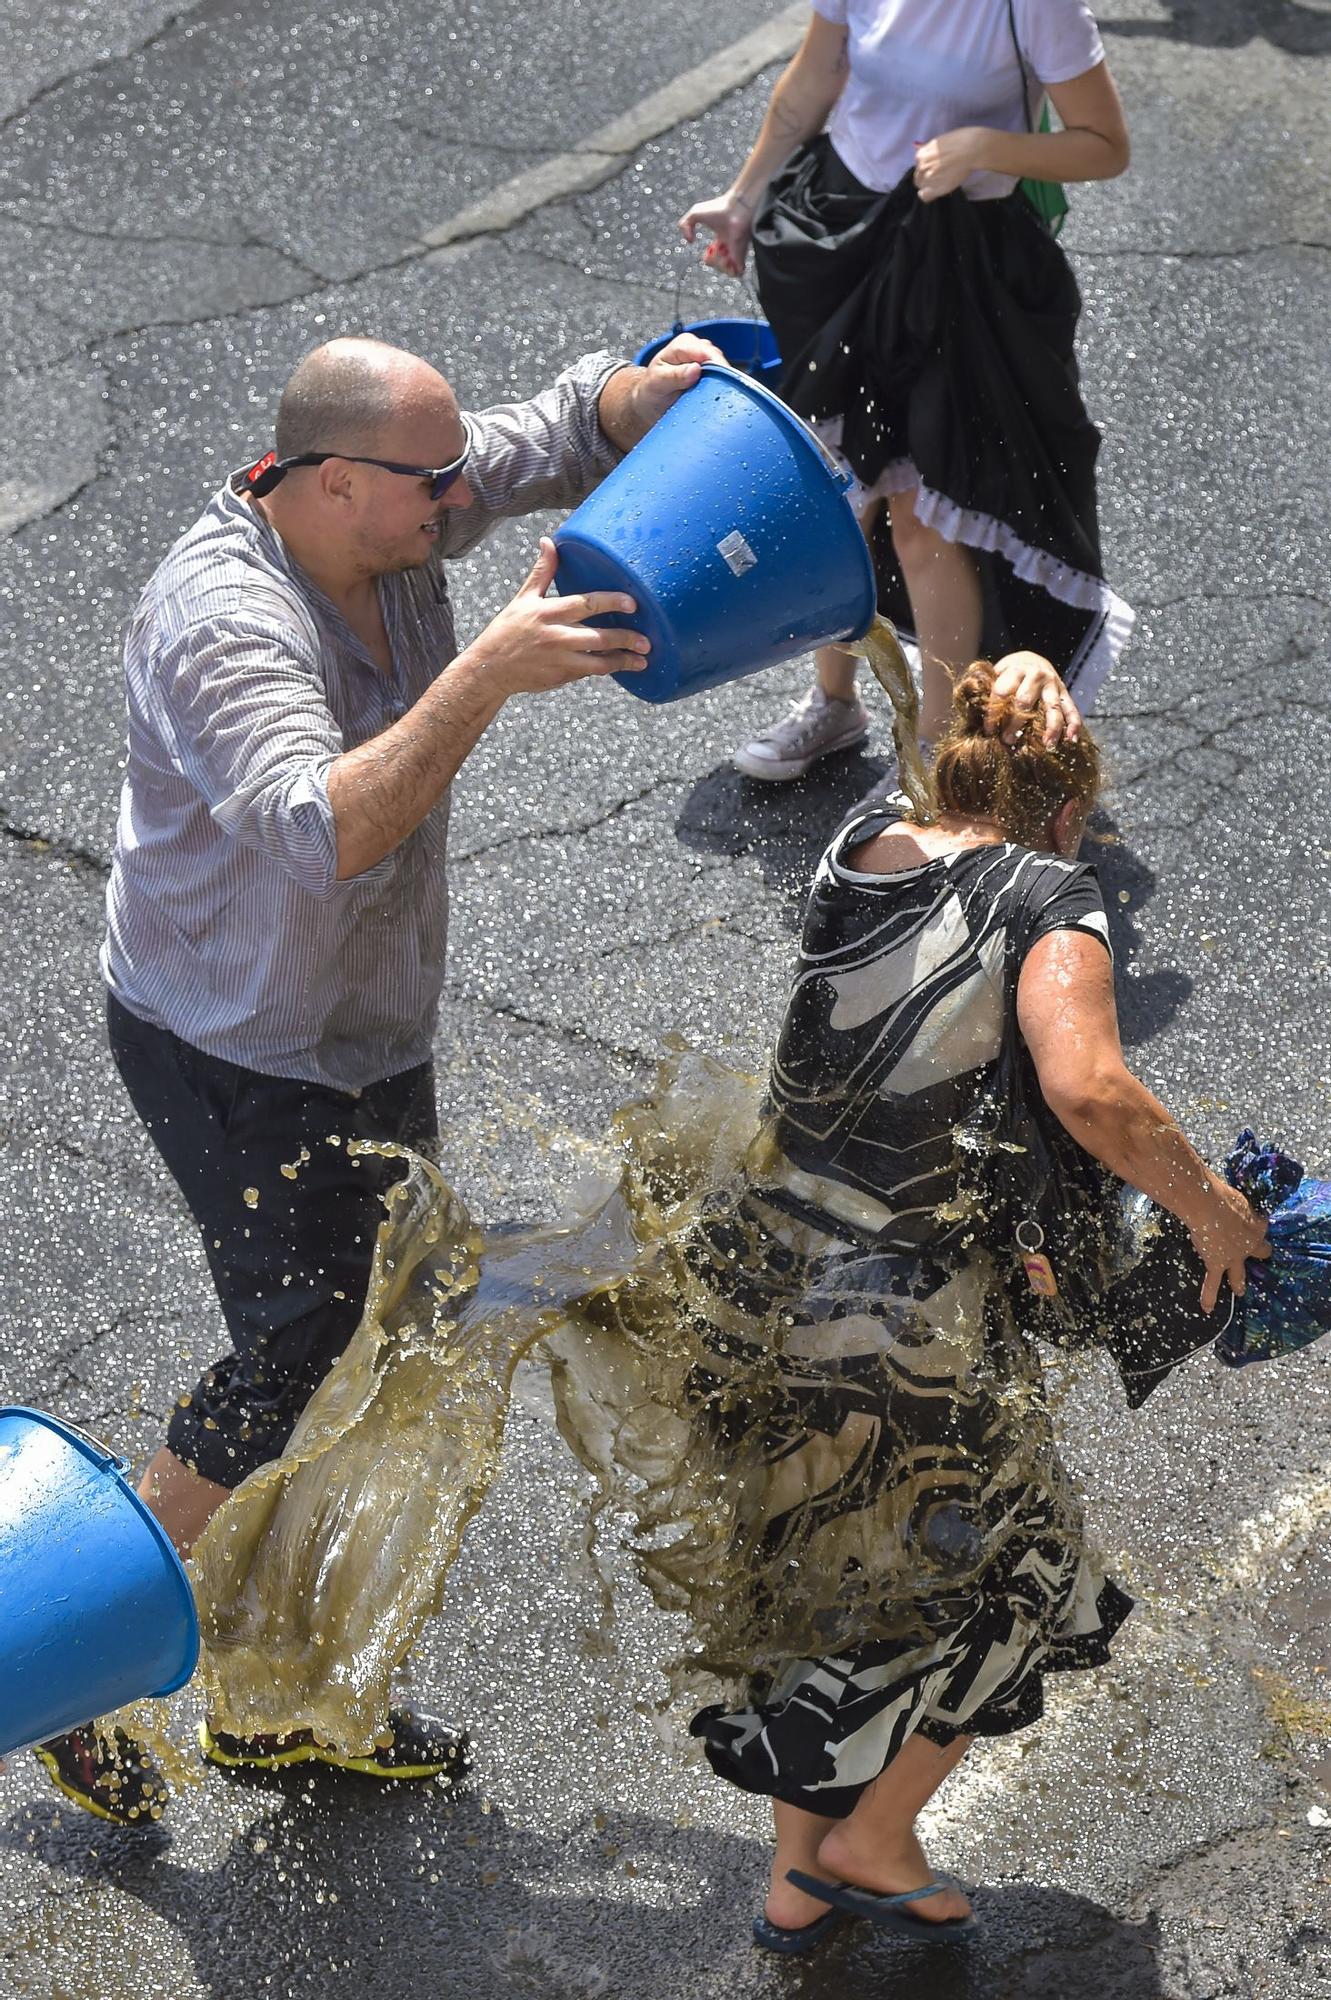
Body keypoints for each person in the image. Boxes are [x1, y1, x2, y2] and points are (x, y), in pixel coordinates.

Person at [32, 328, 723, 1828]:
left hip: (359, 1032)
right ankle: (56, 1663)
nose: (459, 498)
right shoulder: (223, 622)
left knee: (378, 1351)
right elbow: (317, 830)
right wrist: (483, 671)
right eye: (430, 482)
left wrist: (629, 400)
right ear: (333, 484)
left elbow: (538, 438)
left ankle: (282, 1696)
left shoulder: (389, 511)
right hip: (237, 1052)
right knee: (298, 1359)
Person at [550, 659, 1268, 1951]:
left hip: (757, 1270)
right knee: (1020, 1571)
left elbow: (941, 698)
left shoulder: (861, 842)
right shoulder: (1052, 895)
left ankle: (794, 1874)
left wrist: (1016, 668)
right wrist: (1212, 1213)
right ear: (1068, 815)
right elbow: (1089, 1090)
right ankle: (874, 1837)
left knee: (813, 1571)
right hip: (893, 1320)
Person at [679, 0, 1133, 783]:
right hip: (843, 239)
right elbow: (815, 76)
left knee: (922, 519)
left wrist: (985, 146)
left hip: (958, 264)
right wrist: (742, 195)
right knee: (836, 492)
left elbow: (1103, 147)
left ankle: (931, 757)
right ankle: (835, 703)